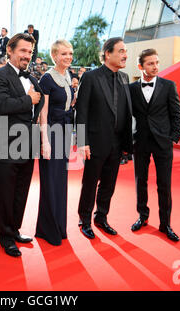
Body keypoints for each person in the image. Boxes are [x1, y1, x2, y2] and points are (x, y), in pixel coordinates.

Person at [0, 33, 44, 257]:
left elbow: (38, 105)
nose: (27, 56)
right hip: (6, 144)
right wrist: (28, 101)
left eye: (30, 52)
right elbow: (1, 105)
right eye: (22, 51)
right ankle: (5, 237)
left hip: (28, 143)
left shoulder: (31, 78)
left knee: (21, 191)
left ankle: (15, 230)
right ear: (10, 51)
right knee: (6, 193)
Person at [76, 37, 133, 239]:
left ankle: (101, 217)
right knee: (90, 183)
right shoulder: (91, 77)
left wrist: (128, 143)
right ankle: (84, 220)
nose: (125, 54)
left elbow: (127, 112)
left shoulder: (125, 78)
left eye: (126, 51)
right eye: (121, 51)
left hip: (117, 143)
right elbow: (81, 111)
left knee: (109, 184)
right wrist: (82, 141)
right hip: (95, 142)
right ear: (108, 54)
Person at [129, 49, 180, 242]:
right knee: (140, 181)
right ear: (141, 66)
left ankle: (165, 223)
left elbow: (176, 113)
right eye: (150, 63)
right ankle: (142, 216)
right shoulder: (132, 88)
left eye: (157, 62)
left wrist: (173, 137)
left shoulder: (168, 85)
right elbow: (128, 116)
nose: (155, 66)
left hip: (163, 142)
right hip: (140, 141)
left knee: (164, 184)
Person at [35, 40, 75, 246]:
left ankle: (59, 226)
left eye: (70, 53)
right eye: (63, 54)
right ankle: (48, 229)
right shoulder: (47, 79)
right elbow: (43, 113)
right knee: (50, 182)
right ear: (54, 56)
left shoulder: (68, 76)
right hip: (50, 133)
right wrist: (45, 142)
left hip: (65, 132)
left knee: (60, 182)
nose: (68, 57)